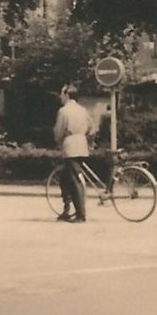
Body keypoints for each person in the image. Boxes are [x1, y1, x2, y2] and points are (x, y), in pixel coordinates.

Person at [52, 85, 95, 223]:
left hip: (70, 145)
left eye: (62, 94)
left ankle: (80, 214)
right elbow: (92, 128)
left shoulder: (63, 111)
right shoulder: (83, 110)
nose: (60, 96)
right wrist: (86, 138)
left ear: (67, 95)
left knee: (74, 180)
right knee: (65, 177)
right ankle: (66, 209)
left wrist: (59, 142)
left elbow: (58, 131)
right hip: (82, 144)